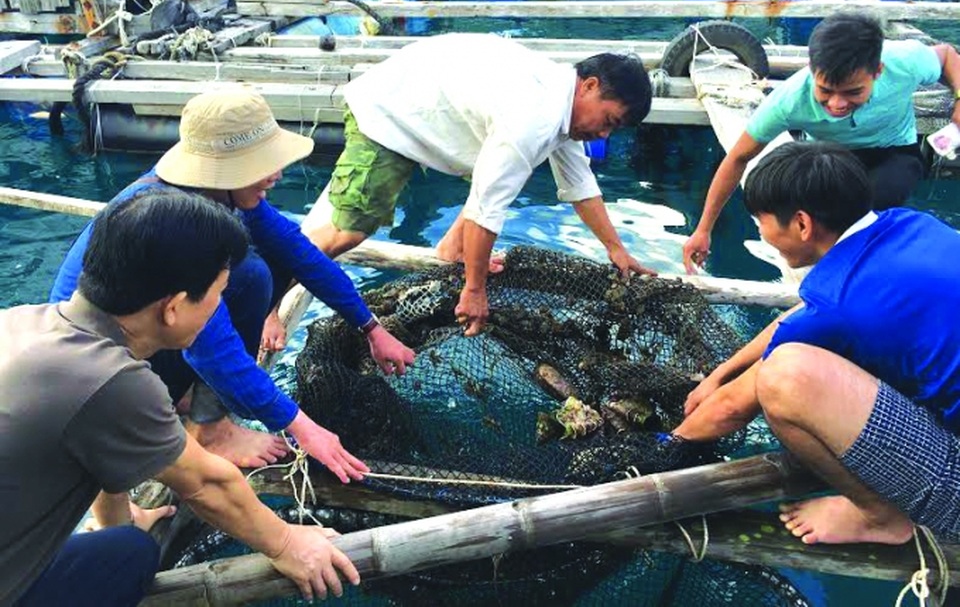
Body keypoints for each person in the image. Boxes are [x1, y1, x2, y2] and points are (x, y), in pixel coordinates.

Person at [1, 191, 359, 606]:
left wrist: (119, 522)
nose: (219, 307)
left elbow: (94, 448)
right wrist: (287, 543)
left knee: (124, 546)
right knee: (132, 558)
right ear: (172, 308)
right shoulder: (114, 381)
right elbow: (208, 483)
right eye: (218, 294)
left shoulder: (22, 322)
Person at [50, 90, 415, 474]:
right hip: (100, 368)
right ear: (223, 169)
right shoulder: (177, 227)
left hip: (137, 336)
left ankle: (192, 402)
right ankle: (211, 430)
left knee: (256, 272)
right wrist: (302, 427)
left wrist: (370, 327)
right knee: (247, 286)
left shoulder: (219, 196)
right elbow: (213, 348)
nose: (276, 174)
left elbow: (298, 252)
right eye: (263, 164)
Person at [675, 141, 960, 546]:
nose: (760, 232)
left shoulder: (837, 305)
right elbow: (799, 316)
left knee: (783, 377)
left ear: (803, 225)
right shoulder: (909, 224)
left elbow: (732, 407)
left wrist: (668, 444)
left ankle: (879, 517)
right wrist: (720, 373)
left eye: (761, 221)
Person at [304, 32, 656, 337]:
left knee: (502, 168)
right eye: (608, 120)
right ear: (590, 85)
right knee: (347, 233)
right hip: (390, 111)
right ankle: (270, 301)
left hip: (429, 100)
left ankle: (454, 247)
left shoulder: (563, 105)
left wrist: (617, 250)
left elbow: (581, 184)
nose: (603, 134)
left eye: (613, 129)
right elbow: (487, 210)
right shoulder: (534, 119)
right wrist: (474, 290)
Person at [682, 12, 960, 274]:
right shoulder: (789, 100)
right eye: (825, 91)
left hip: (894, 153)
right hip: (832, 160)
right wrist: (704, 229)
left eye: (853, 92)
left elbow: (948, 55)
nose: (837, 104)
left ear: (877, 71)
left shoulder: (905, 61)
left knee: (869, 207)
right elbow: (738, 158)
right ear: (812, 70)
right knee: (806, 215)